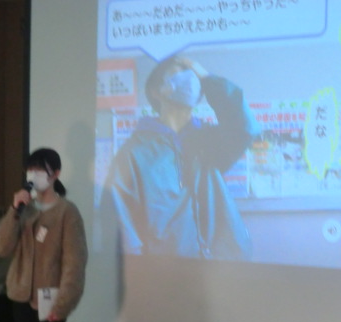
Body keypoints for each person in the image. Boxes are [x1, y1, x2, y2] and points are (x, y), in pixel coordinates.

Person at [106, 56, 259, 260]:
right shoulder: (134, 153)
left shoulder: (210, 141)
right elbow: (121, 225)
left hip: (225, 264)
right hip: (171, 271)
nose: (190, 79)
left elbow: (246, 128)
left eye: (194, 75)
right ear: (157, 91)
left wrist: (207, 78)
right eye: (179, 73)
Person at [0, 148, 88, 322]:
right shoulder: (24, 209)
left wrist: (63, 304)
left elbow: (75, 264)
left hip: (51, 301)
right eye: (30, 170)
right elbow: (1, 248)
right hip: (20, 296)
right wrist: (14, 210)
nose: (33, 175)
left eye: (39, 170)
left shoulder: (67, 212)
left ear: (55, 174)